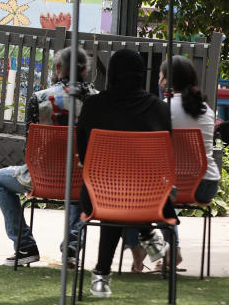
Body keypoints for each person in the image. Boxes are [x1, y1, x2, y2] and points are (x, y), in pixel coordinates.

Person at [77, 48, 173, 298]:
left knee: (114, 196)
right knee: (126, 193)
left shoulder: (93, 105)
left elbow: (84, 155)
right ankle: (148, 234)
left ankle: (101, 275)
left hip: (99, 194)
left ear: (112, 74)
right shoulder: (160, 109)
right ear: (142, 75)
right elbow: (165, 158)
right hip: (149, 198)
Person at [0, 46, 95, 266]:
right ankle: (73, 244)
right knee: (79, 172)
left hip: (43, 178)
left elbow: (31, 148)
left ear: (58, 68)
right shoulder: (98, 101)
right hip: (84, 180)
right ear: (86, 71)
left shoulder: (39, 99)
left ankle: (24, 245)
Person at [120, 55, 220, 273]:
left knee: (128, 194)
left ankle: (144, 252)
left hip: (172, 186)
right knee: (155, 194)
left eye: (160, 76)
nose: (159, 80)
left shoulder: (161, 107)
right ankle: (168, 251)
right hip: (206, 184)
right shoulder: (207, 110)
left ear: (167, 80)